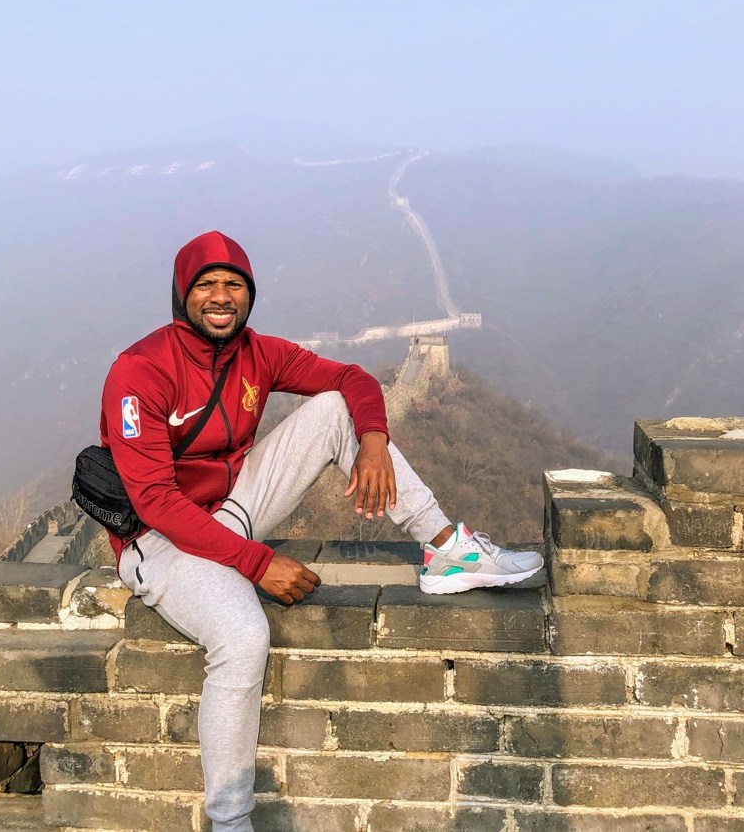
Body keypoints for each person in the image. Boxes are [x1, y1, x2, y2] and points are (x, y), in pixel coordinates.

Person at [101, 230, 543, 832]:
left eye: (234, 285)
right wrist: (257, 563)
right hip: (160, 542)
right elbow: (153, 500)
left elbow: (354, 377)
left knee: (336, 408)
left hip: (231, 508)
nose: (221, 297)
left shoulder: (257, 354)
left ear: (249, 294)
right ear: (183, 296)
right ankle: (230, 821)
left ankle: (448, 549)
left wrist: (374, 440)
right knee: (242, 638)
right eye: (206, 285)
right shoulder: (140, 370)